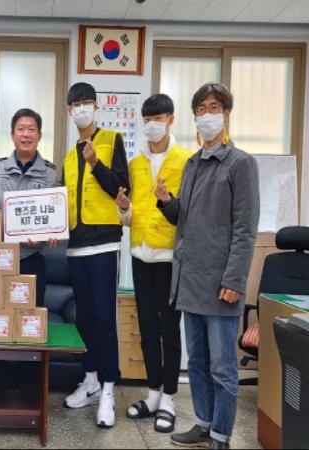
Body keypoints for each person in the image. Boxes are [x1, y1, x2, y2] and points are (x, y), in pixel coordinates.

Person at [155, 83, 259, 450]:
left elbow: (245, 229)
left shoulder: (240, 163)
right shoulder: (192, 163)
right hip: (190, 281)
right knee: (197, 361)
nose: (207, 115)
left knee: (222, 367)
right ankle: (203, 422)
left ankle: (221, 435)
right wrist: (167, 202)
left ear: (226, 114)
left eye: (214, 108)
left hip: (220, 285)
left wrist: (234, 279)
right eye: (201, 109)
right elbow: (184, 219)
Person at [115, 94, 192, 433]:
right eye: (147, 119)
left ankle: (170, 398)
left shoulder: (186, 161)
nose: (152, 125)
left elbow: (187, 215)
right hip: (140, 256)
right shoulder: (135, 164)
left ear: (171, 119)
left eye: (158, 118)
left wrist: (168, 201)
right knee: (147, 329)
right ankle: (153, 394)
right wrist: (123, 208)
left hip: (170, 259)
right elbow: (131, 217)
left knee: (169, 330)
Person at [61, 82, 130, 428]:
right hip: (76, 246)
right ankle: (89, 381)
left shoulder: (112, 140)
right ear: (69, 110)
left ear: (96, 107)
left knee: (105, 320)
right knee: (85, 318)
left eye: (88, 102)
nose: (82, 109)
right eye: (77, 104)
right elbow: (62, 202)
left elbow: (122, 189)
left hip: (104, 245)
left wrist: (96, 164)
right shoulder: (67, 156)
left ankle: (108, 388)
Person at [0, 108, 57, 304]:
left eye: (31, 129)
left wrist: (45, 239)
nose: (26, 134)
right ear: (12, 134)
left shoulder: (50, 173)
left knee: (30, 316)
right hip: (0, 257)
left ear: (39, 135)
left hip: (32, 258)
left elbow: (53, 219)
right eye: (21, 129)